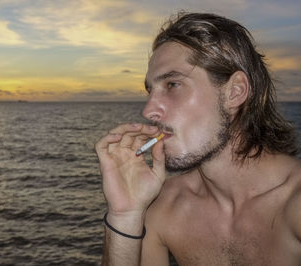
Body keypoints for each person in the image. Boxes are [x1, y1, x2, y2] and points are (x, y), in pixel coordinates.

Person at [95, 12, 301, 265]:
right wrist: (124, 215)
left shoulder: (294, 203)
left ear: (235, 92)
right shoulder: (165, 206)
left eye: (172, 84)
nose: (148, 111)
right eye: (151, 90)